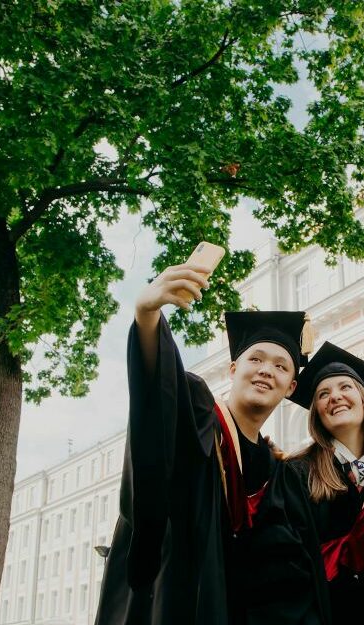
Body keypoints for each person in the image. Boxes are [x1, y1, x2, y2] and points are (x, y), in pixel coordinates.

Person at [96, 261, 329, 625]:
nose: (267, 370)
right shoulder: (199, 415)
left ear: (291, 388)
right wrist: (146, 317)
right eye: (256, 359)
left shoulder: (281, 478)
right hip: (174, 603)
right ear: (234, 369)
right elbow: (159, 391)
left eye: (282, 367)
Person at [286, 342, 364, 625]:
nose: (335, 397)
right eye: (323, 393)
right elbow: (285, 569)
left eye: (345, 387)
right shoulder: (296, 474)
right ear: (317, 413)